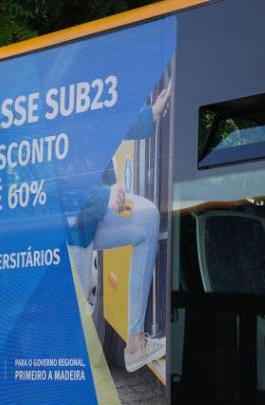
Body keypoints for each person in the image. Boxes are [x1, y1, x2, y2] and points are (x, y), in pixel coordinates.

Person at [68, 84, 170, 373]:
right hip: (69, 226)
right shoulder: (57, 110)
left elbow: (111, 123)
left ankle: (136, 343)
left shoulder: (88, 100)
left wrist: (152, 112)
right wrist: (103, 196)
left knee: (147, 218)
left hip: (92, 215)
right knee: (73, 315)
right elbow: (54, 184)